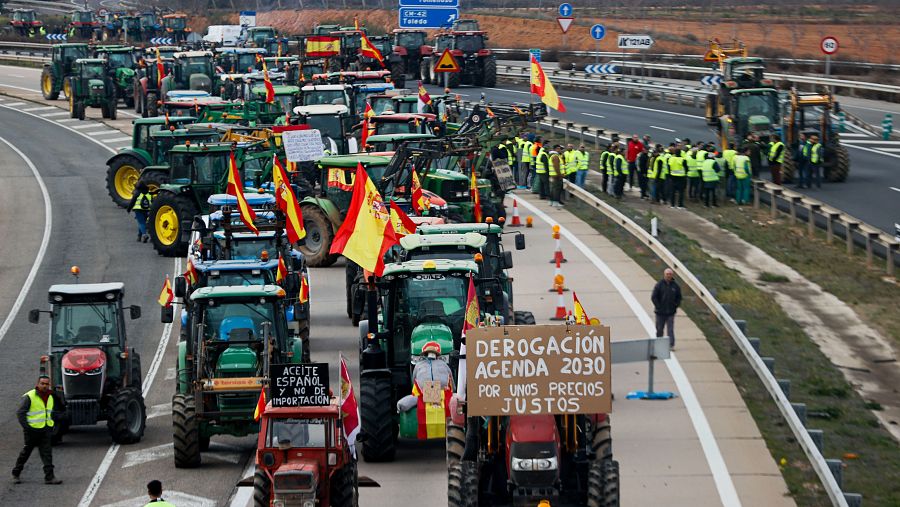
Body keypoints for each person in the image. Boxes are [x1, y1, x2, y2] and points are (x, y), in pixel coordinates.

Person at [13, 376, 62, 485]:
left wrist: (54, 423)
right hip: (32, 431)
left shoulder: (51, 396)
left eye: (46, 384)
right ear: (37, 384)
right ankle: (16, 473)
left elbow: (52, 412)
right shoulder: (30, 396)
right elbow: (20, 413)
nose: (44, 386)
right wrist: (27, 428)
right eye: (42, 383)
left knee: (47, 453)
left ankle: (49, 477)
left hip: (45, 429)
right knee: (26, 452)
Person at [651, 269, 682, 349]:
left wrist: (675, 305)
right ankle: (659, 344)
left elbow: (679, 297)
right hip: (660, 312)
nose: (668, 275)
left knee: (670, 329)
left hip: (670, 312)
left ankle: (671, 344)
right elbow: (654, 297)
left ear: (672, 275)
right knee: (659, 329)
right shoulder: (659, 285)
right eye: (667, 274)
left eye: (670, 274)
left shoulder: (675, 286)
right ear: (664, 274)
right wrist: (658, 306)